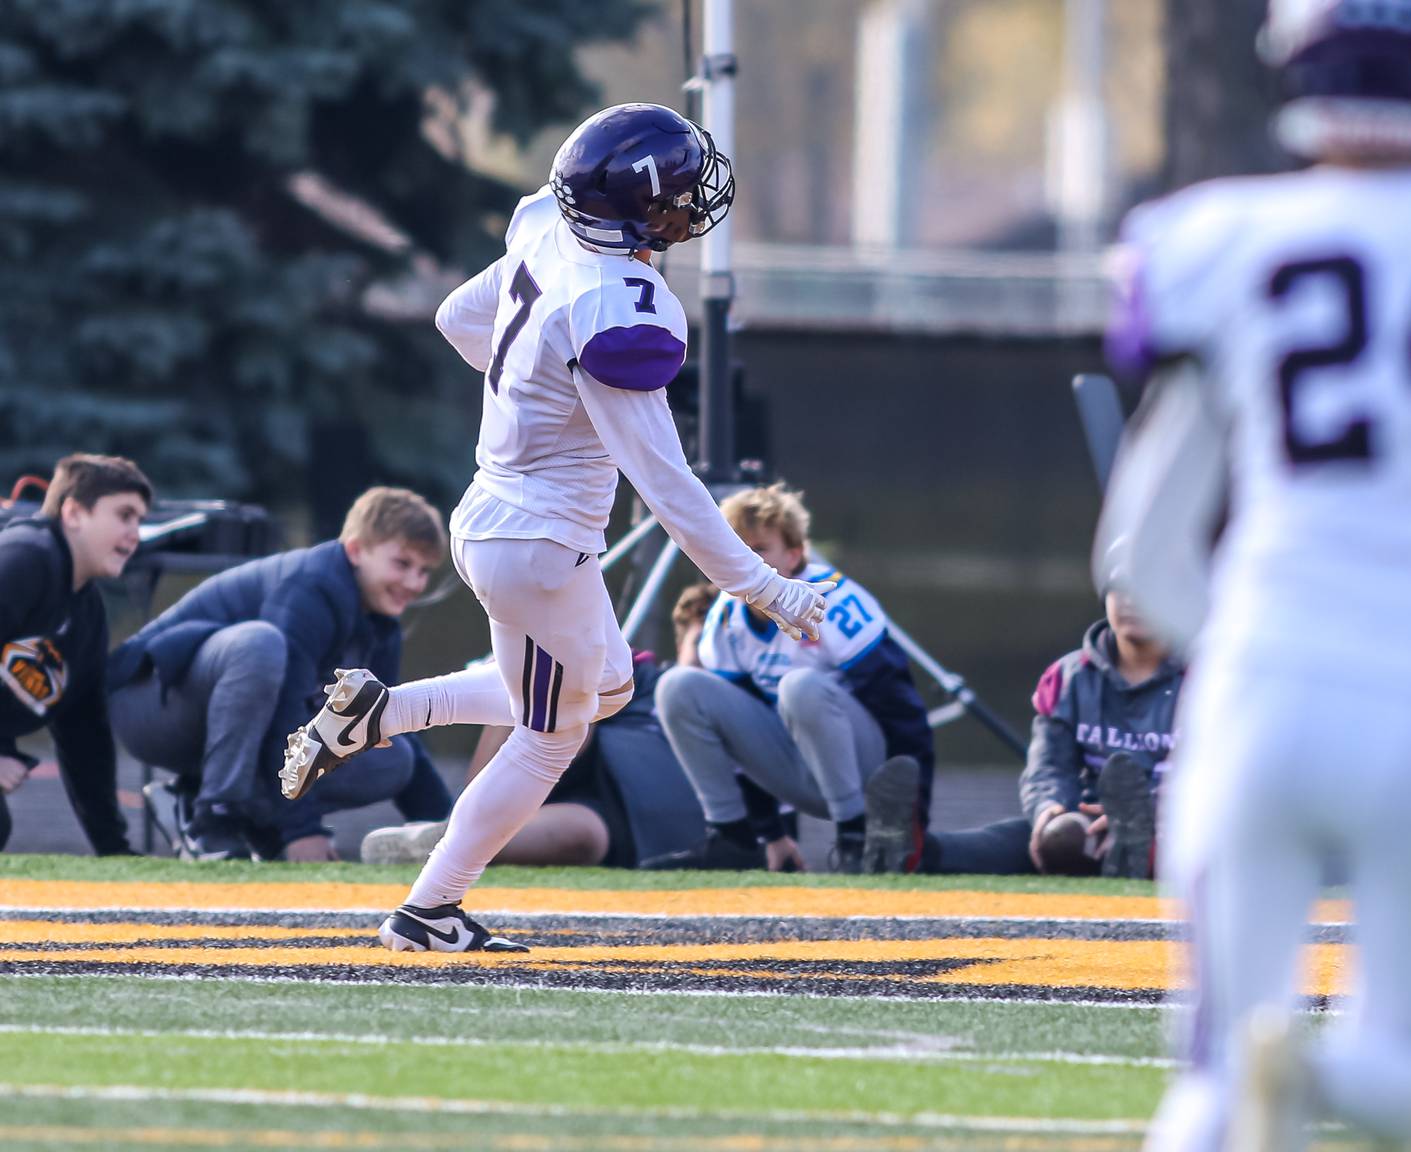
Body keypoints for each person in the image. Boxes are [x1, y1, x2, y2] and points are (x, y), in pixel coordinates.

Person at [280, 103, 832, 952]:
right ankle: (428, 909)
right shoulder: (616, 304)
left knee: (604, 687)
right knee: (553, 734)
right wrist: (760, 584)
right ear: (634, 209)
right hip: (538, 546)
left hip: (495, 517)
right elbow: (666, 482)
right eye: (676, 195)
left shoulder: (547, 225)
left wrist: (536, 377)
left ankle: (382, 715)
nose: (690, 207)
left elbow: (459, 320)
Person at [1097, 3, 1411, 1148]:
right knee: (1403, 1063)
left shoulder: (1218, 236)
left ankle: (1272, 1069)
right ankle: (1342, 1079)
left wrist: (1240, 645)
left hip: (1266, 683)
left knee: (1209, 1080)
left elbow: (1141, 547)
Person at [108, 487, 453, 862]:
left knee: (392, 755)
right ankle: (214, 818)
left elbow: (384, 722)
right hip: (150, 703)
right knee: (261, 645)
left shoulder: (380, 620)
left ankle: (208, 806)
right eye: (402, 564)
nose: (415, 583)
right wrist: (301, 832)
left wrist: (455, 833)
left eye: (423, 571)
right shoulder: (312, 587)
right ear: (355, 550)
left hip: (229, 725)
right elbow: (284, 714)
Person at [647, 483, 934, 874]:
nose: (747, 559)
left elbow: (902, 712)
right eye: (738, 547)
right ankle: (732, 838)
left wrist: (915, 819)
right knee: (678, 686)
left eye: (760, 548)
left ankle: (854, 837)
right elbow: (737, 739)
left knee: (800, 686)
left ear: (795, 554)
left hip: (865, 771)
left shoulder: (834, 599)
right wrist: (772, 833)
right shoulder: (726, 617)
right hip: (795, 768)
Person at [916, 565, 1182, 879]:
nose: (1130, 601)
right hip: (1088, 821)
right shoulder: (1069, 677)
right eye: (1120, 588)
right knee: (1051, 838)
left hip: (1177, 824)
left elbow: (1222, 776)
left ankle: (1140, 853)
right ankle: (909, 849)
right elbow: (1048, 767)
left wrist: (1148, 814)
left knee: (1182, 843)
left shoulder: (1213, 677)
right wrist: (1050, 811)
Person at [360, 649, 707, 869]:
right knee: (542, 682)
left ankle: (447, 842)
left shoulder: (710, 701)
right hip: (570, 744)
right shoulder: (647, 674)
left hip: (623, 805)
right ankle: (462, 823)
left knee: (584, 838)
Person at [0, 454, 151, 856]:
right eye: (124, 515)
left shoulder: (85, 610)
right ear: (74, 513)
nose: (135, 533)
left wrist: (113, 849)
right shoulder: (22, 559)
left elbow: (83, 732)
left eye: (139, 520)